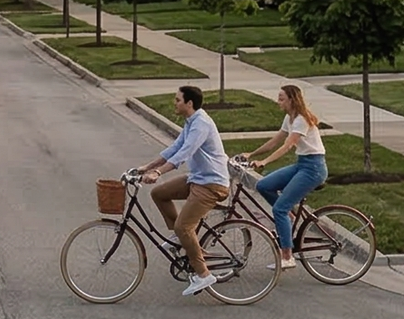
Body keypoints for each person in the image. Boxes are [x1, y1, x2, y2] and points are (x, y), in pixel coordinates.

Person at [132, 84, 231, 297]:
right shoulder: (190, 122)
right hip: (198, 179)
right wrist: (147, 166)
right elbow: (174, 148)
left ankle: (203, 275)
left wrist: (158, 173)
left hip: (212, 183)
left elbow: (184, 154)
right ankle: (180, 237)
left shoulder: (201, 124)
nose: (174, 103)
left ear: (189, 103)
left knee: (184, 226)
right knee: (159, 194)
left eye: (177, 100)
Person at [235, 83, 328, 269]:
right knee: (263, 186)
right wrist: (251, 154)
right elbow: (275, 141)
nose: (278, 102)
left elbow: (287, 146)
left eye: (281, 98)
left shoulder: (301, 119)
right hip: (302, 164)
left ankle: (287, 256)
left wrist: (265, 162)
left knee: (279, 209)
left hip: (314, 168)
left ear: (292, 100)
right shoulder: (290, 118)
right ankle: (289, 216)